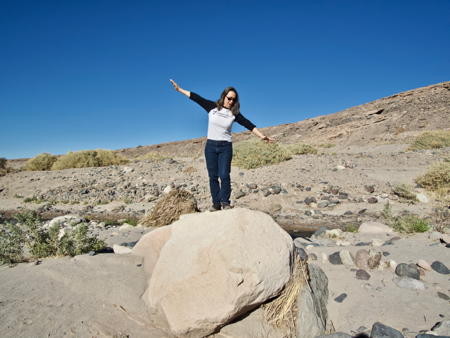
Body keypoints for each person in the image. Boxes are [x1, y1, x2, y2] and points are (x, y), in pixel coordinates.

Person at [170, 79, 274, 211]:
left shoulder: (234, 114)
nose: (231, 101)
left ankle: (225, 202)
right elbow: (196, 98)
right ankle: (216, 204)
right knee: (213, 176)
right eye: (229, 98)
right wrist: (180, 89)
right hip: (211, 147)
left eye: (233, 100)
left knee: (224, 175)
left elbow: (249, 124)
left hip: (225, 147)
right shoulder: (212, 107)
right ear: (223, 97)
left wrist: (262, 136)